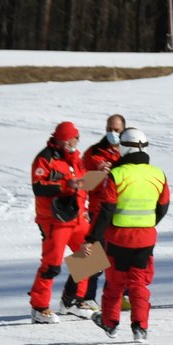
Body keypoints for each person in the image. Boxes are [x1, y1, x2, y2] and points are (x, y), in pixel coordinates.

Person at [87, 127, 170, 343]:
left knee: (114, 282)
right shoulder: (158, 174)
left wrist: (93, 238)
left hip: (118, 238)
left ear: (123, 147)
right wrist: (147, 223)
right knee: (138, 283)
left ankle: (110, 322)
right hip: (145, 238)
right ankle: (140, 327)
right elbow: (163, 206)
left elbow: (106, 210)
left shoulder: (116, 174)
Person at [63, 113, 127, 314]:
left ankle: (122, 295)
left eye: (116, 130)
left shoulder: (128, 151)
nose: (112, 133)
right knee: (92, 255)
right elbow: (83, 181)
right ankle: (77, 297)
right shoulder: (94, 152)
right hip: (98, 209)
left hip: (122, 211)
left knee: (120, 255)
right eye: (109, 129)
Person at [28, 121, 89, 324]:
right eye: (74, 138)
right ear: (64, 139)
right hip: (54, 220)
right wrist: (65, 185)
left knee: (90, 255)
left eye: (77, 138)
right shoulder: (45, 158)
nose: (77, 142)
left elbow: (82, 186)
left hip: (78, 217)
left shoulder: (76, 159)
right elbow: (39, 188)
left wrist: (85, 209)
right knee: (51, 265)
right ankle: (39, 307)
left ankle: (73, 301)